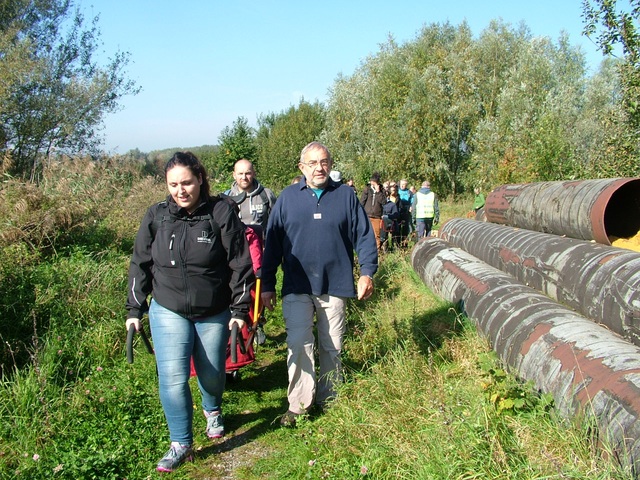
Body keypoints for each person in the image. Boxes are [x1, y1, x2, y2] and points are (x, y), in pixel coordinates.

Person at [125, 151, 255, 472]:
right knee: (172, 378)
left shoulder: (221, 212)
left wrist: (239, 309)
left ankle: (212, 408)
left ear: (200, 179)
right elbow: (140, 264)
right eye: (173, 184)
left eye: (186, 182)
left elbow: (240, 263)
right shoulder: (157, 216)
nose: (180, 190)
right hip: (167, 308)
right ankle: (180, 442)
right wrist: (134, 309)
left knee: (211, 374)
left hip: (213, 309)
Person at [260, 141, 378, 427]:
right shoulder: (288, 198)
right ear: (302, 168)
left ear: (330, 164)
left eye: (323, 162)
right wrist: (266, 284)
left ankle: (330, 399)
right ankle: (299, 405)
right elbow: (272, 243)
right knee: (299, 344)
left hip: (334, 284)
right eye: (312, 163)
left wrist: (367, 271)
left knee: (332, 345)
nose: (319, 168)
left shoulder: (346, 196)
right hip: (296, 285)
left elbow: (363, 235)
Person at [225, 159, 277, 238]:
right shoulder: (227, 197)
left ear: (254, 173)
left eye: (248, 173)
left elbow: (277, 223)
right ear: (234, 175)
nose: (244, 177)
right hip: (238, 246)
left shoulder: (266, 195)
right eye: (240, 174)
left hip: (262, 246)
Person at [360, 173, 387, 249]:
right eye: (372, 182)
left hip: (376, 216)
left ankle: (377, 251)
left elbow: (384, 202)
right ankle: (365, 249)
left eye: (375, 182)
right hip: (367, 215)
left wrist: (378, 192)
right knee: (365, 233)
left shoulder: (382, 190)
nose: (373, 183)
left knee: (376, 235)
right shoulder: (367, 189)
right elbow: (362, 202)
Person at [397, 179, 413, 244]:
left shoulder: (409, 192)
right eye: (402, 184)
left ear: (406, 185)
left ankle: (404, 244)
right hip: (398, 210)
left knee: (405, 228)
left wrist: (411, 207)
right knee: (397, 227)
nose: (403, 186)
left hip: (406, 211)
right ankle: (397, 243)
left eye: (404, 184)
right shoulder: (397, 191)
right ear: (400, 184)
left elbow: (412, 201)